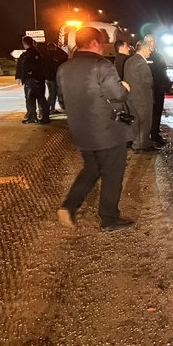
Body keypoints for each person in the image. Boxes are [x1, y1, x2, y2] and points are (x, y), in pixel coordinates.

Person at [55, 25, 134, 233]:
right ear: (94, 43)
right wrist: (125, 87)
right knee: (112, 174)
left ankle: (69, 206)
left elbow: (62, 101)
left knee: (91, 169)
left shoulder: (64, 68)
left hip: (81, 131)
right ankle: (109, 218)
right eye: (101, 43)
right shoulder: (102, 65)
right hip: (107, 131)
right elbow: (118, 94)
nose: (102, 47)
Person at [124, 36, 157, 152]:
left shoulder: (129, 61)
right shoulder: (142, 63)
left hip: (131, 96)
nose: (150, 52)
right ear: (143, 49)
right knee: (144, 121)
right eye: (149, 50)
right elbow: (148, 81)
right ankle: (143, 145)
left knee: (135, 121)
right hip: (143, 98)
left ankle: (137, 143)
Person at [15, 35, 50, 124]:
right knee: (41, 98)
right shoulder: (39, 54)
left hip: (30, 80)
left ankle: (32, 117)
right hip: (40, 79)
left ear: (25, 44)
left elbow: (21, 66)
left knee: (30, 99)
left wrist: (19, 76)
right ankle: (45, 117)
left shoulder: (26, 55)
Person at [147, 36, 172, 145]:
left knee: (156, 111)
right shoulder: (143, 56)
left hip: (157, 88)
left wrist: (167, 84)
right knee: (151, 112)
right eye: (148, 41)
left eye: (152, 41)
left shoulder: (158, 56)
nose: (150, 43)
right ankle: (152, 134)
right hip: (149, 88)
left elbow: (163, 71)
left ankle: (154, 132)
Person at [40, 40, 69, 115]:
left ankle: (48, 109)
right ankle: (48, 109)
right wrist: (58, 48)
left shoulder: (45, 56)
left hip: (48, 78)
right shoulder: (53, 56)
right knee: (53, 94)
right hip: (52, 78)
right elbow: (65, 56)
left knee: (52, 94)